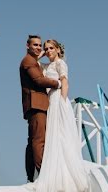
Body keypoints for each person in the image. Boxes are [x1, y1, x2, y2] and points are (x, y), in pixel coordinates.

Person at [32, 39, 90, 192]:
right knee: (53, 135)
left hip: (58, 98)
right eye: (46, 48)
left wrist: (63, 101)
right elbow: (34, 62)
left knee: (62, 134)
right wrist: (42, 54)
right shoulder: (46, 65)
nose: (48, 50)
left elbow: (65, 82)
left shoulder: (60, 64)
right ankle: (55, 173)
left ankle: (68, 175)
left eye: (51, 48)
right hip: (50, 100)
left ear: (58, 49)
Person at [20, 34, 61, 182]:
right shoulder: (28, 61)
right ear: (27, 46)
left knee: (32, 141)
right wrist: (57, 84)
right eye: (35, 45)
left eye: (40, 46)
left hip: (35, 105)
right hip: (36, 105)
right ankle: (42, 174)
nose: (38, 48)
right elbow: (38, 80)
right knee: (39, 141)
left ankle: (31, 176)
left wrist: (40, 54)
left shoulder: (31, 61)